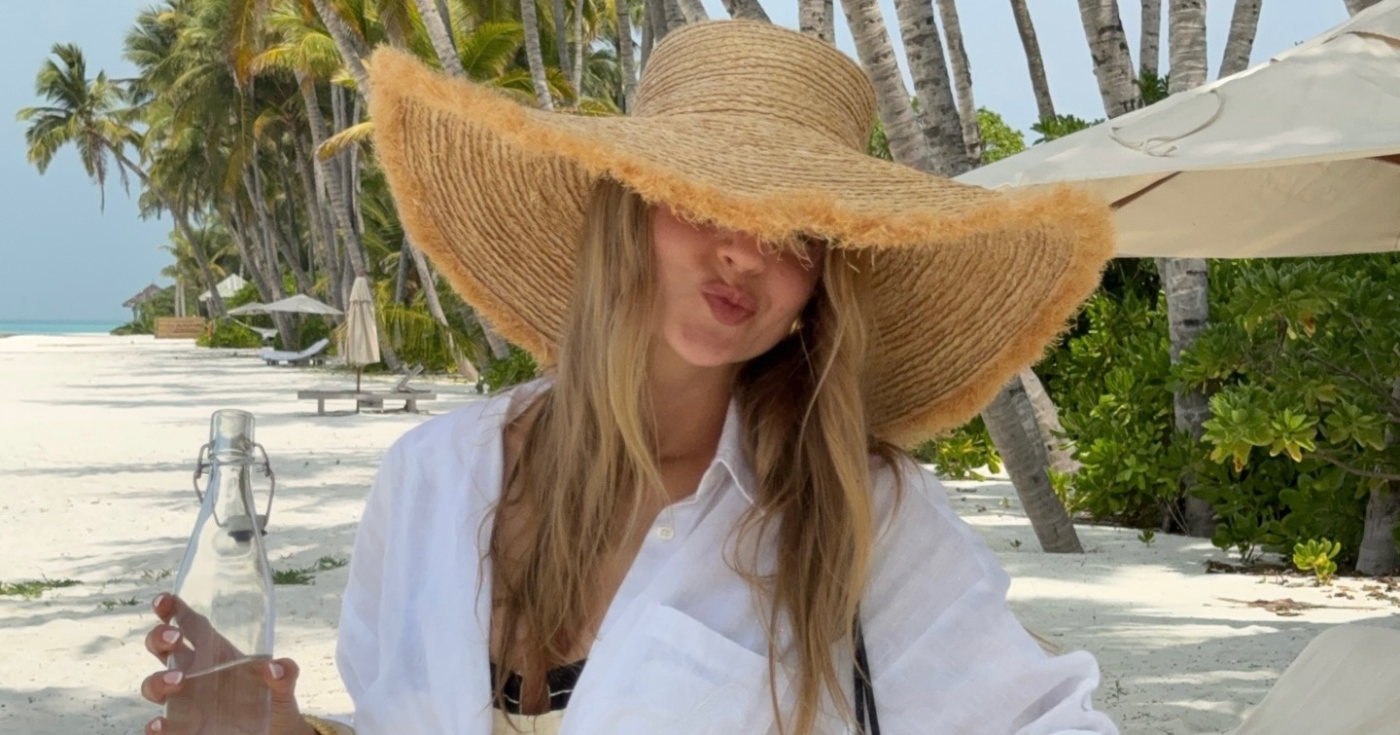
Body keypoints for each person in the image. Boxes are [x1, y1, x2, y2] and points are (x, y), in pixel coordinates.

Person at [139, 19, 1123, 735]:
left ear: (819, 285)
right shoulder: (430, 477)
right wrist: (291, 728)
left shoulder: (855, 513)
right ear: (626, 209)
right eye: (703, 197)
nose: (745, 251)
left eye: (796, 230)